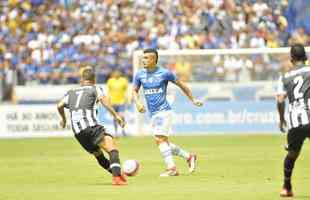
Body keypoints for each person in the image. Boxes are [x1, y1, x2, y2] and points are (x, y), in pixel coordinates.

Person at [132, 49, 203, 176]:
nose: (144, 60)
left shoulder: (164, 73)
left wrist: (193, 99)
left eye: (147, 58)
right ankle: (189, 156)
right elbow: (134, 91)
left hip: (164, 111)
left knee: (160, 139)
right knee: (163, 142)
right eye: (143, 58)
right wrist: (137, 103)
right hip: (152, 114)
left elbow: (182, 85)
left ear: (154, 59)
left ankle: (172, 168)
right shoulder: (139, 75)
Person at [57, 66, 127, 185]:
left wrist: (63, 120)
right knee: (112, 148)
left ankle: (117, 174)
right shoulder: (95, 89)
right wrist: (116, 116)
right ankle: (117, 178)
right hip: (91, 127)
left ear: (81, 80)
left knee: (98, 155)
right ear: (94, 80)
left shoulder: (71, 92)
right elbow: (105, 102)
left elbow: (59, 105)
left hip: (78, 133)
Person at [276, 44, 309, 197]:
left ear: (291, 59)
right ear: (306, 57)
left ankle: (286, 187)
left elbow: (281, 99)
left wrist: (281, 120)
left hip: (295, 121)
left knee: (292, 154)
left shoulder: (284, 77)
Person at [106, 70, 129, 136]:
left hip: (121, 102)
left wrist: (127, 99)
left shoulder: (123, 80)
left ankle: (123, 130)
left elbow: (126, 90)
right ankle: (116, 132)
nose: (116, 73)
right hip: (113, 102)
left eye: (118, 72)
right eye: (115, 72)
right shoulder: (110, 81)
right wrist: (108, 100)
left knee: (121, 116)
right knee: (115, 117)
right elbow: (108, 91)